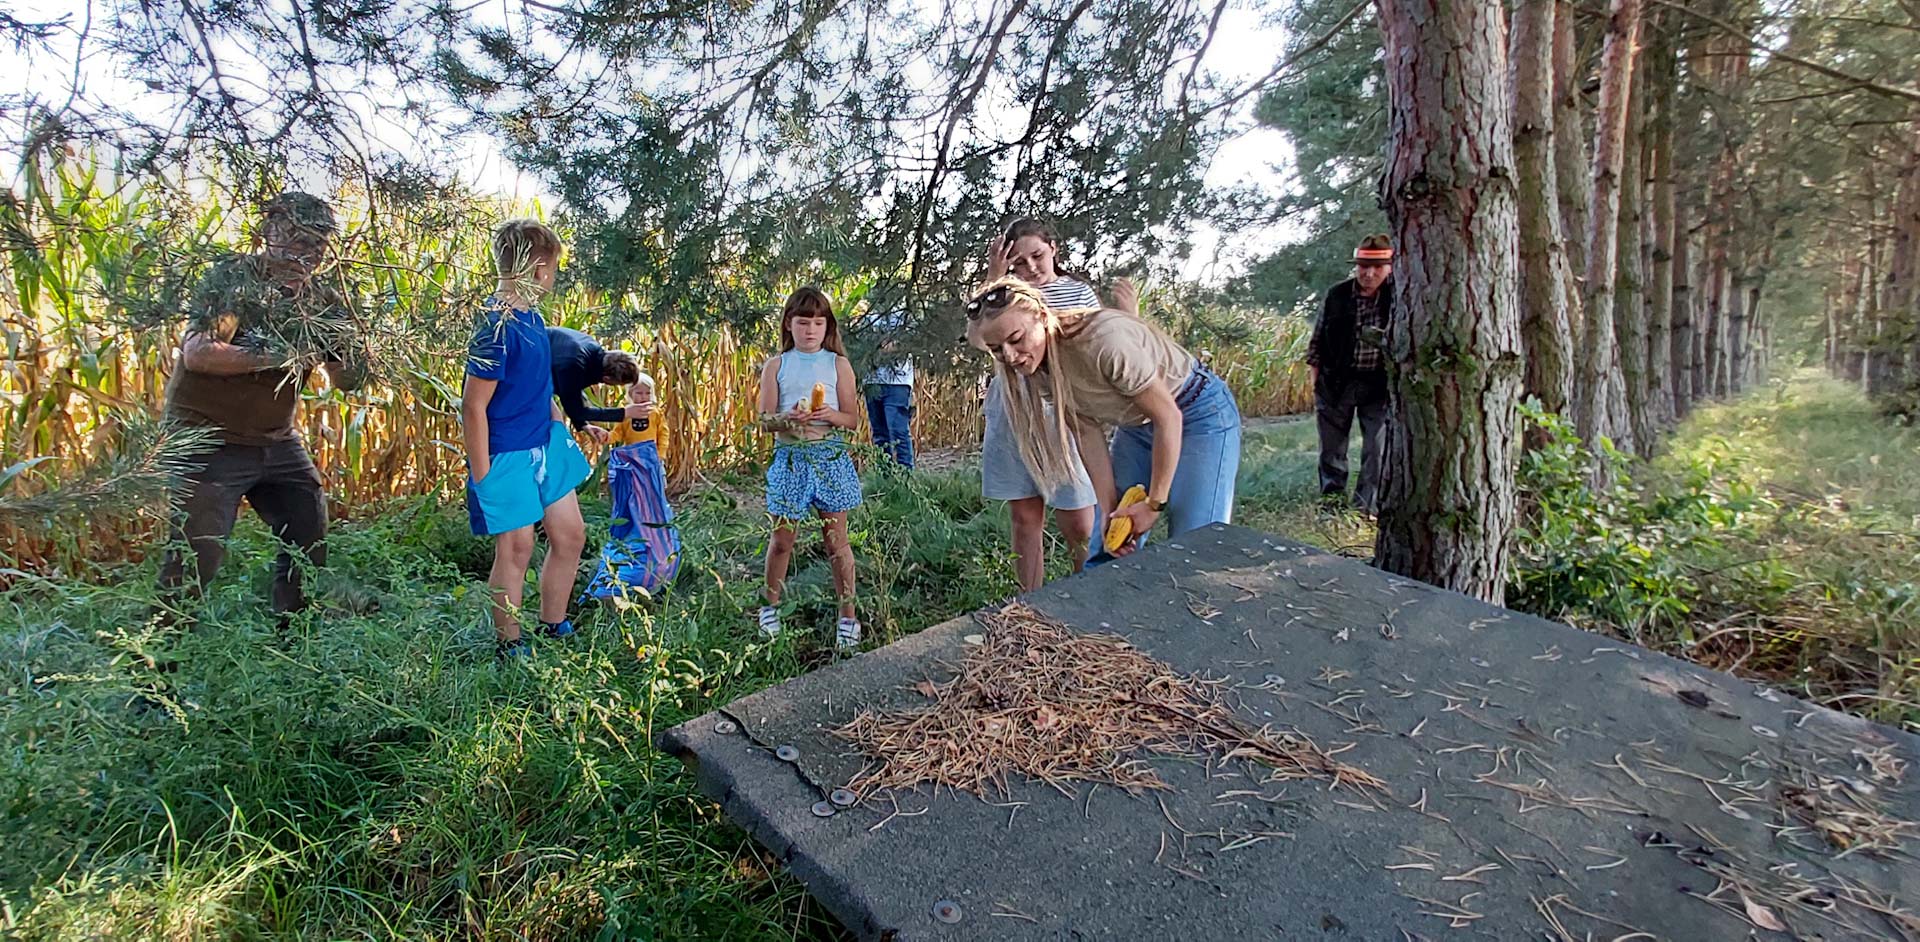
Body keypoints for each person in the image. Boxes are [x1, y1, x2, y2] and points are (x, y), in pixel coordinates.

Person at [159, 191, 368, 620]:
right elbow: (199, 353)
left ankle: (294, 640)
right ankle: (156, 668)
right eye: (295, 239)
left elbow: (348, 382)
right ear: (268, 231)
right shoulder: (237, 279)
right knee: (197, 557)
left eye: (316, 244)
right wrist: (284, 353)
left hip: (274, 440)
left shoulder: (322, 301)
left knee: (308, 532)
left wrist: (350, 347)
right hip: (206, 439)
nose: (305, 254)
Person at [966, 277, 1242, 556]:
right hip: (1136, 426)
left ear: (1041, 316)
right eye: (997, 349)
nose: (1011, 356)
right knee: (1109, 544)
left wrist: (1154, 504)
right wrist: (1108, 508)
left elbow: (1168, 416)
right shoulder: (1037, 367)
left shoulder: (1103, 341)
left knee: (1194, 539)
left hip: (1197, 413)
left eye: (1016, 339)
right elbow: (1086, 433)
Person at [973, 218, 1139, 590]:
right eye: (1018, 262)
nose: (1030, 268)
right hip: (1013, 411)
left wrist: (1130, 315)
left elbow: (1106, 340)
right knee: (1025, 516)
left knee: (1079, 519)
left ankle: (1090, 593)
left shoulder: (1076, 292)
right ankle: (1031, 604)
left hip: (1062, 411)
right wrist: (994, 277)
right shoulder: (998, 296)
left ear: (1053, 250)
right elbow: (977, 339)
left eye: (1037, 256)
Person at [461, 219, 592, 659]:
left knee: (571, 535)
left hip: (545, 443)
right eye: (552, 269)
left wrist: (565, 425)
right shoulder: (495, 326)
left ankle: (554, 624)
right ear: (539, 270)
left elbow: (539, 385)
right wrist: (484, 476)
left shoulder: (533, 319)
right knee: (517, 547)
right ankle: (510, 644)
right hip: (506, 455)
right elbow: (473, 406)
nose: (552, 278)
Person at [755, 287, 864, 651]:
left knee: (836, 540)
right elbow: (764, 420)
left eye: (818, 322)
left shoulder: (837, 364)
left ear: (827, 326)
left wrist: (830, 414)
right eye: (803, 322)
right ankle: (770, 606)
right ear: (789, 324)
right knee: (783, 539)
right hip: (790, 457)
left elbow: (852, 419)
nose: (811, 330)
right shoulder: (776, 365)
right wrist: (786, 419)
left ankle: (847, 614)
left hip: (829, 456)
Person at [1306, 235, 1396, 514]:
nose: (1369, 274)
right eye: (1363, 267)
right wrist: (1316, 382)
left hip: (1379, 385)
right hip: (1336, 382)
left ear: (1390, 268)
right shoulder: (1337, 295)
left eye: (1377, 268)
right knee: (1332, 449)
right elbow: (1317, 343)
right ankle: (1331, 503)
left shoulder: (1399, 297)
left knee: (1377, 448)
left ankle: (1365, 508)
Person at [582, 374, 683, 600]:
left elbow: (663, 435)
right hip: (631, 465)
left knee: (653, 501)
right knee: (632, 501)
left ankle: (653, 534)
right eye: (638, 392)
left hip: (650, 463)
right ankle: (633, 532)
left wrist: (659, 456)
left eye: (647, 393)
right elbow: (618, 434)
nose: (643, 397)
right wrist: (607, 437)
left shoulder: (655, 414)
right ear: (630, 394)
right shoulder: (626, 414)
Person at [548, 325, 647, 444]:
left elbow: (570, 396)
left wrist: (584, 425)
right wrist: (623, 413)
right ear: (607, 379)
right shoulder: (574, 365)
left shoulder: (590, 350)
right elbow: (576, 410)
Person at [863, 307, 916, 469]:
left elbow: (912, 342)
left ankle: (906, 478)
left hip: (898, 381)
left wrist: (884, 346)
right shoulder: (867, 317)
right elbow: (860, 346)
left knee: (898, 430)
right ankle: (883, 478)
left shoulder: (905, 315)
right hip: (872, 380)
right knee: (879, 434)